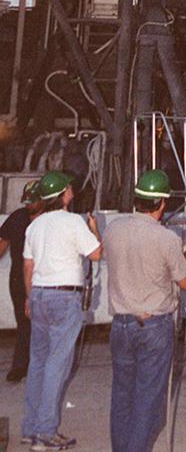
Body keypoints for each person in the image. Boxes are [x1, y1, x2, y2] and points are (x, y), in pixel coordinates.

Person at [102, 169, 186, 452]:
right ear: (162, 203)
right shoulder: (167, 239)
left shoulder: (113, 229)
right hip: (154, 327)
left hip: (121, 325)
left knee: (122, 396)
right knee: (148, 400)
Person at [21, 171, 101, 451]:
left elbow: (28, 266)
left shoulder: (35, 225)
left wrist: (30, 298)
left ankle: (30, 428)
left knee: (39, 362)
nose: (72, 190)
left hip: (40, 295)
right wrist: (93, 227)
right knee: (57, 364)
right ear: (63, 194)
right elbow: (95, 254)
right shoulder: (73, 222)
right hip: (64, 298)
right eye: (69, 187)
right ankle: (45, 432)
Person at [0, 180, 43, 383]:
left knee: (43, 323)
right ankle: (20, 366)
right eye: (27, 201)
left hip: (45, 276)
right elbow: (2, 244)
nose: (29, 205)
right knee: (24, 323)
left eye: (32, 201)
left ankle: (38, 366)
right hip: (19, 277)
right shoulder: (17, 217)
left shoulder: (50, 220)